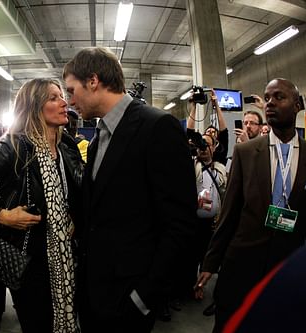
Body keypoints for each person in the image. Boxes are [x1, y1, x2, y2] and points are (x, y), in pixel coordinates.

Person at [63, 47, 198, 333]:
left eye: (71, 90)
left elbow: (180, 224)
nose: (69, 100)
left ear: (93, 81)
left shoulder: (158, 126)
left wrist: (144, 297)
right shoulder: (100, 136)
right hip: (94, 292)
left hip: (130, 298)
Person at [0, 78, 84, 333]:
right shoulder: (14, 145)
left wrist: (74, 217)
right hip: (29, 262)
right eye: (54, 98)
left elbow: (78, 192)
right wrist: (1, 215)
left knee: (68, 320)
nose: (64, 103)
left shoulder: (67, 146)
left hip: (67, 256)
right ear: (34, 106)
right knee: (38, 325)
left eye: (62, 96)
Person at [195, 78, 306, 332]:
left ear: (297, 105)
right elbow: (229, 213)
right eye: (268, 97)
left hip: (287, 265)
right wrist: (210, 263)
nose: (270, 103)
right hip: (242, 260)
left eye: (279, 97)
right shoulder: (247, 152)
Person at [187, 90, 229, 165]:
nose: (210, 133)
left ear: (214, 146)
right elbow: (189, 132)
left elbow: (224, 132)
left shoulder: (220, 154)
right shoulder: (195, 158)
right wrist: (194, 106)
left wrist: (216, 105)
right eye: (208, 131)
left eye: (213, 132)